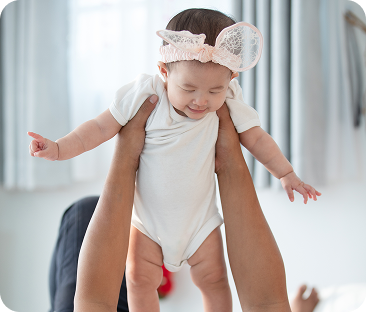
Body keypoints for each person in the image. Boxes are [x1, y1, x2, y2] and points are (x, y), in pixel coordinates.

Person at [29, 8, 321, 311]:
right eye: (189, 88)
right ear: (164, 72)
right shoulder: (146, 92)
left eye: (214, 90)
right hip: (148, 223)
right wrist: (61, 148)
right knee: (139, 280)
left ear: (232, 79)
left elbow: (257, 138)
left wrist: (286, 173)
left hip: (200, 223)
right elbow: (101, 127)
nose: (201, 100)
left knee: (215, 280)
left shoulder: (231, 98)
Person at [50, 96, 318, 312]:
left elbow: (94, 302)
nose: (201, 98)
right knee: (222, 286)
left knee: (86, 214)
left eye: (212, 89)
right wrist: (233, 163)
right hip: (196, 223)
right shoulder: (218, 96)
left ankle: (225, 162)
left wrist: (125, 158)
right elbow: (266, 304)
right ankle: (228, 162)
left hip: (156, 227)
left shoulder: (149, 89)